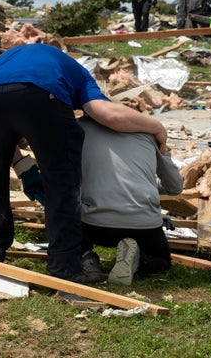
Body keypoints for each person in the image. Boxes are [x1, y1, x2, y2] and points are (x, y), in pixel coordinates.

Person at [0, 43, 168, 284]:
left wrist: (24, 169)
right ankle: (64, 265)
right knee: (62, 180)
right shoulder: (81, 76)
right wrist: (157, 127)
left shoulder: (7, 63)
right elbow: (108, 114)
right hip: (41, 92)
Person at [77, 116, 182, 285]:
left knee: (68, 211)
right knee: (161, 263)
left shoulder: (77, 128)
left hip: (95, 225)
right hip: (143, 225)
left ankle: (86, 258)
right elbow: (175, 187)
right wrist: (143, 181)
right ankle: (141, 262)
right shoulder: (149, 130)